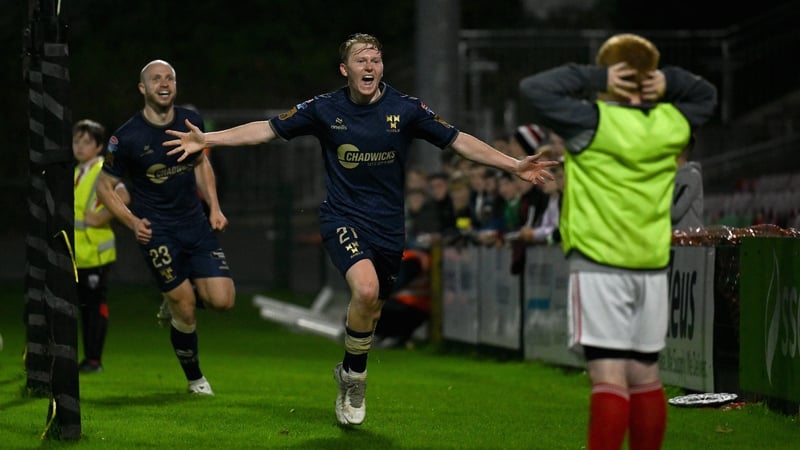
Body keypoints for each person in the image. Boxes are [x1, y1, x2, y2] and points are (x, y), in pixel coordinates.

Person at [163, 33, 556, 425]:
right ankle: (356, 380)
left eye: (376, 60)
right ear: (345, 69)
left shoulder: (406, 109)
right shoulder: (323, 109)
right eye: (361, 61)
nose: (370, 67)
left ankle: (349, 368)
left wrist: (513, 164)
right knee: (364, 289)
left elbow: (458, 141)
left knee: (370, 308)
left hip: (387, 227)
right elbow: (265, 129)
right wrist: (207, 138)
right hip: (342, 217)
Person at [519, 33, 717, 450]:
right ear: (650, 77)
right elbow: (706, 94)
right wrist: (667, 81)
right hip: (652, 264)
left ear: (611, 77)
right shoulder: (671, 125)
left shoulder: (591, 122)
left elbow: (533, 88)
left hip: (599, 263)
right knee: (646, 375)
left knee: (609, 377)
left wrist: (596, 75)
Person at [96, 59, 235, 396]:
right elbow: (103, 185)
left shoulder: (192, 122)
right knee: (185, 307)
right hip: (157, 230)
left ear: (175, 85)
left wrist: (214, 207)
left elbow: (202, 164)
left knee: (223, 301)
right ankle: (195, 379)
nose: (164, 82)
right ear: (142, 88)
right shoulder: (126, 137)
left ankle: (172, 298)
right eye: (155, 78)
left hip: (195, 224)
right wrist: (131, 222)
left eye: (169, 77)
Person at [73, 119, 130, 373]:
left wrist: (101, 217)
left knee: (94, 308)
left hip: (97, 252)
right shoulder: (75, 172)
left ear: (98, 147)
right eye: (76, 141)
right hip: (78, 254)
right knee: (83, 309)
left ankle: (94, 360)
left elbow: (125, 195)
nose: (80, 146)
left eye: (86, 142)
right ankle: (87, 358)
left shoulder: (100, 169)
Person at [671, 136, 704, 231]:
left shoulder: (691, 176)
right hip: (673, 242)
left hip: (686, 243)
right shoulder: (670, 174)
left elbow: (675, 212)